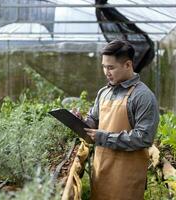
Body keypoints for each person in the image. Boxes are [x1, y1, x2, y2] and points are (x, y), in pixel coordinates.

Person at [72, 39, 159, 200]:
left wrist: (103, 137)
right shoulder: (103, 92)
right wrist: (81, 121)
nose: (106, 72)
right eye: (104, 67)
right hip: (101, 172)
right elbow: (94, 120)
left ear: (128, 65)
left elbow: (144, 137)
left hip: (126, 178)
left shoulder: (142, 96)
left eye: (111, 67)